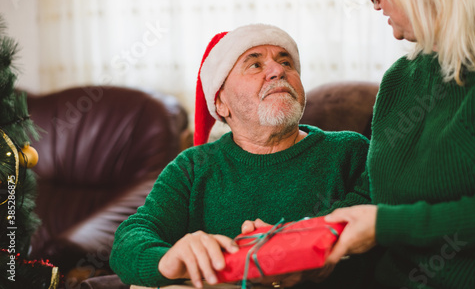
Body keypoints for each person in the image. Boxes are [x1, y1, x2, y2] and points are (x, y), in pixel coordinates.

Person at [110, 24, 373, 288]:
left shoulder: (350, 151)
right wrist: (166, 260)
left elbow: (367, 224)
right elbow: (129, 240)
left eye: (286, 62)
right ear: (221, 102)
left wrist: (286, 247)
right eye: (255, 65)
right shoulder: (191, 166)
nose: (278, 70)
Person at [324, 0, 475, 288]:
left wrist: (385, 225)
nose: (375, 5)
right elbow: (374, 189)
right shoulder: (399, 78)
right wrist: (308, 236)